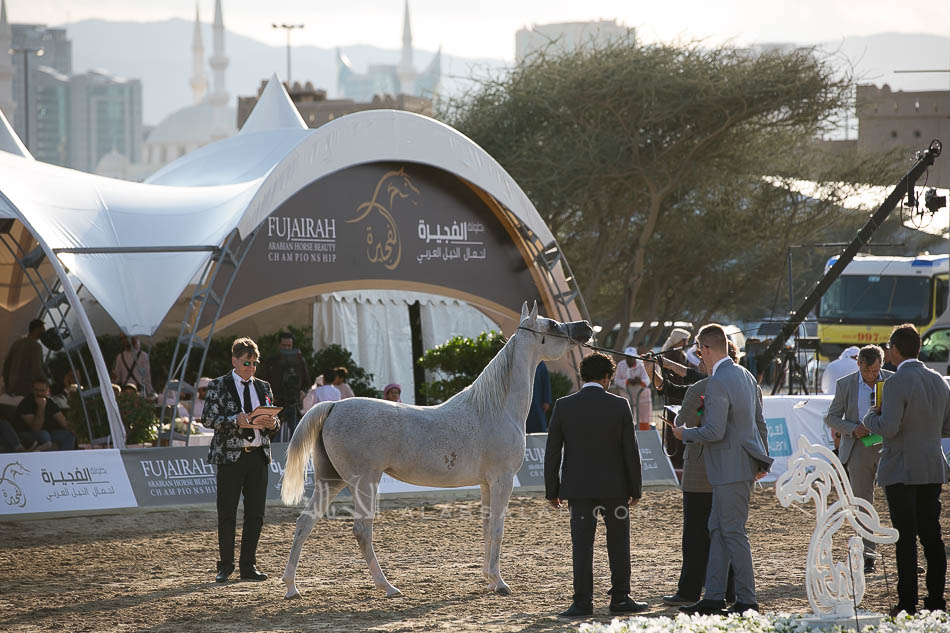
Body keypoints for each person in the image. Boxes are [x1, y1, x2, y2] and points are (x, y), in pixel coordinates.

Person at [670, 324, 772, 615]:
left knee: (732, 532)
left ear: (706, 348)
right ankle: (714, 597)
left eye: (700, 350)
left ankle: (747, 600)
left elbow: (713, 431)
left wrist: (684, 434)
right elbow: (759, 423)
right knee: (719, 529)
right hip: (739, 467)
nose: (699, 356)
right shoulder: (746, 376)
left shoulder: (717, 381)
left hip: (728, 469)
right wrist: (761, 460)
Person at [544, 352, 647, 618]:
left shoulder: (564, 405)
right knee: (618, 543)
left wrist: (552, 490)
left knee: (582, 546)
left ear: (582, 375)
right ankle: (621, 597)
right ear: (606, 378)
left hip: (578, 490)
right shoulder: (620, 405)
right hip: (615, 489)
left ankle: (582, 602)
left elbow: (553, 451)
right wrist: (635, 489)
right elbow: (630, 452)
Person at [861, 324, 950, 616]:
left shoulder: (896, 382)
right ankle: (936, 599)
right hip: (932, 465)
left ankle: (908, 601)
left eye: (889, 347)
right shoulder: (939, 380)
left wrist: (870, 417)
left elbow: (888, 427)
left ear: (895, 350)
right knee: (932, 536)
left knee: (906, 537)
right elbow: (946, 427)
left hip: (902, 468)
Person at [662, 342, 741, 607]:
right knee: (728, 533)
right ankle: (730, 590)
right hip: (732, 470)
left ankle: (689, 590)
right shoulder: (746, 382)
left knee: (695, 535)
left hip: (699, 472)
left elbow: (683, 424)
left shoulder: (700, 388)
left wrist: (680, 428)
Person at [201, 337, 281, 583]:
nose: (251, 368)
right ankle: (225, 565)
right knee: (227, 513)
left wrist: (272, 423)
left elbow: (273, 422)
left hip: (258, 455)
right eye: (247, 363)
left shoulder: (263, 386)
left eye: (255, 363)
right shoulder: (218, 385)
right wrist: (234, 420)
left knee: (256, 514)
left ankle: (249, 565)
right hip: (230, 458)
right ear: (234, 360)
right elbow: (207, 419)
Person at [823, 344, 891, 572]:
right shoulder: (846, 384)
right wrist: (853, 429)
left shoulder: (892, 380)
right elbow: (831, 418)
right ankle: (868, 554)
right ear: (859, 364)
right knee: (862, 503)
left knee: (898, 501)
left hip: (888, 447)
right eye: (867, 371)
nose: (872, 376)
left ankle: (906, 554)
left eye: (875, 371)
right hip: (859, 448)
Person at [258, 332, 309, 442]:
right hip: (276, 403)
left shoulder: (299, 361)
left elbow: (306, 381)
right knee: (272, 434)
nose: (286, 348)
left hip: (294, 402)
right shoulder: (272, 361)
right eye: (284, 346)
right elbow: (262, 382)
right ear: (279, 345)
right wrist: (270, 397)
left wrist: (303, 392)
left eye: (289, 346)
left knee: (298, 435)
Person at [16, 378, 76, 450]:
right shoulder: (26, 403)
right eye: (37, 390)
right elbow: (36, 428)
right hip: (26, 434)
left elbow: (64, 422)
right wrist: (41, 407)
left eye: (42, 390)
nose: (40, 393)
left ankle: (65, 459)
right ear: (32, 390)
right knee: (44, 434)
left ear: (47, 391)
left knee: (69, 435)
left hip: (48, 434)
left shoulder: (50, 403)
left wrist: (76, 432)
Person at [2, 319, 47, 397]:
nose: (44, 332)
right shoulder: (36, 347)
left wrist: (7, 383)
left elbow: (7, 365)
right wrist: (47, 383)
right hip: (26, 390)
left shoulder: (17, 343)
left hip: (12, 387)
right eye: (42, 329)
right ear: (36, 329)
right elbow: (37, 370)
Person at [613, 347, 652, 428]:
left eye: (631, 358)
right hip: (627, 397)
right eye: (628, 357)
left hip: (642, 398)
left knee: (644, 420)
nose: (629, 360)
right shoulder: (621, 365)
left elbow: (647, 380)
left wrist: (639, 381)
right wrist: (627, 381)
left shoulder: (642, 364)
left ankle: (643, 437)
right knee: (627, 421)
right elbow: (616, 380)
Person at [526, 361, 552, 433]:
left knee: (539, 425)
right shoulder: (520, 360)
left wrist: (546, 400)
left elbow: (546, 382)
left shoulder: (540, 363)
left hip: (537, 400)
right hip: (523, 401)